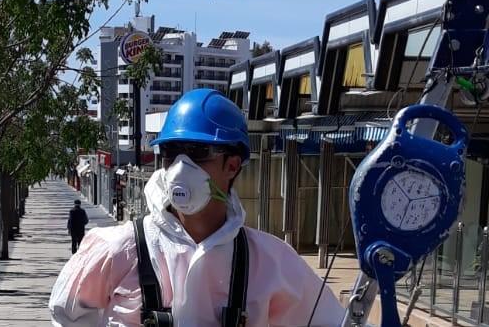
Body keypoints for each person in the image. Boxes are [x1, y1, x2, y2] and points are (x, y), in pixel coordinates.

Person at [50, 88, 346, 327]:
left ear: (231, 165)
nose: (180, 167)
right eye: (170, 153)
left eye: (197, 153)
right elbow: (66, 317)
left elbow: (333, 321)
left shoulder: (272, 263)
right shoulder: (116, 250)